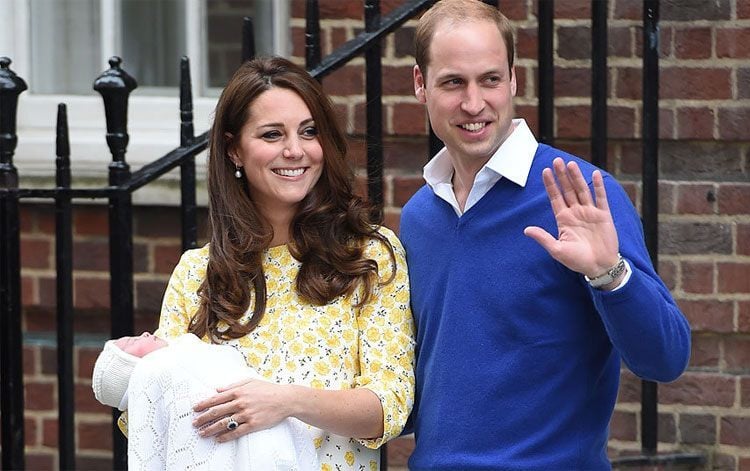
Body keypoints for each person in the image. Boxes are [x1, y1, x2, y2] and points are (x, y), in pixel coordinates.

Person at [399, 0, 692, 469]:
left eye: (490, 79)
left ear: (513, 79)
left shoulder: (580, 195)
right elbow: (425, 388)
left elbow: (666, 359)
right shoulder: (419, 217)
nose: (473, 103)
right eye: (453, 82)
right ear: (420, 84)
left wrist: (609, 275)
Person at [155, 56, 415, 470]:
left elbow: (390, 406)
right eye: (273, 134)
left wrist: (284, 401)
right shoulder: (197, 272)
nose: (295, 150)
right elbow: (149, 416)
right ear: (233, 150)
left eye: (309, 132)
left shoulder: (368, 254)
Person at [91, 332, 319, 470]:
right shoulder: (160, 370)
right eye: (132, 343)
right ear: (134, 371)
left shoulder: (185, 354)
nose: (144, 334)